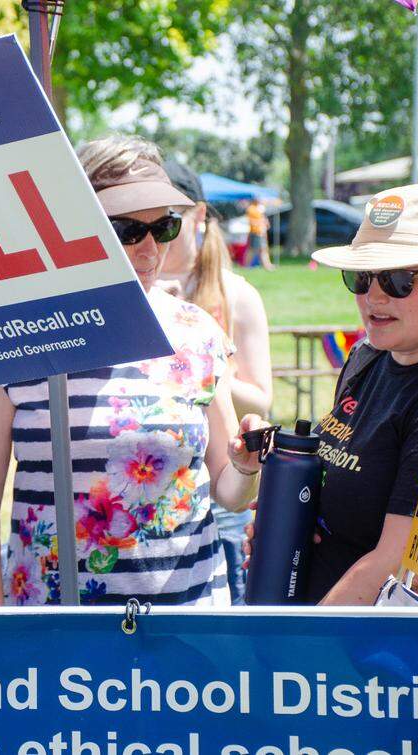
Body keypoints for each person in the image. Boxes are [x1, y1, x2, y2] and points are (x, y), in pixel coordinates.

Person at [0, 134, 265, 607]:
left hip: (186, 619)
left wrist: (245, 466)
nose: (149, 250)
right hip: (54, 625)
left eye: (163, 227)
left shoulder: (197, 332)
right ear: (78, 226)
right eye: (126, 230)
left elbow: (227, 487)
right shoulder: (18, 336)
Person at [259, 184, 418, 607]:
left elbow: (399, 565)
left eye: (399, 280)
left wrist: (289, 648)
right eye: (361, 278)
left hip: (414, 657)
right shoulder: (367, 357)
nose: (373, 296)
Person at [157, 164, 272, 604]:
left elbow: (262, 395)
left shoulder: (235, 293)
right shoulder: (133, 294)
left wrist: (199, 356)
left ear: (199, 216)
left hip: (223, 485)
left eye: (169, 220)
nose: (156, 236)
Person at [245, 199, 274, 271]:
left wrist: (265, 223)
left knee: (263, 249)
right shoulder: (251, 209)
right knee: (252, 250)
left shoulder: (259, 209)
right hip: (256, 232)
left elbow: (263, 219)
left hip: (261, 232)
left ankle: (267, 265)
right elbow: (251, 221)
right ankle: (247, 265)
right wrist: (260, 224)